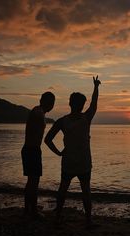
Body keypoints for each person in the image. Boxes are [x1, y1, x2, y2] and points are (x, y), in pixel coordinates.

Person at [44, 76, 101, 227]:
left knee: (63, 188)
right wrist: (96, 87)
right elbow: (94, 104)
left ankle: (57, 217)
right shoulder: (86, 118)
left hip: (68, 160)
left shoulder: (62, 121)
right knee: (85, 191)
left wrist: (58, 152)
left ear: (70, 103)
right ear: (82, 105)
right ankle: (88, 220)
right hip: (83, 161)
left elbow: (47, 139)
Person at [21, 92, 55, 219]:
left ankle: (27, 209)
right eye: (51, 102)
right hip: (32, 150)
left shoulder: (39, 112)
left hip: (31, 149)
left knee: (31, 181)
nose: (52, 105)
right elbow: (35, 116)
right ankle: (33, 211)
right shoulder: (38, 111)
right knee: (34, 182)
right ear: (45, 102)